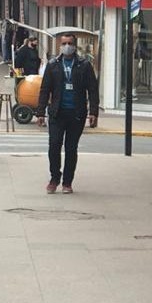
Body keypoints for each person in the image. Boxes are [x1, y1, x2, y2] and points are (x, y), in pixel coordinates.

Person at [35, 33, 99, 194]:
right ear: (60, 45)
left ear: (75, 46)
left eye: (70, 43)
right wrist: (40, 112)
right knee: (54, 146)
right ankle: (54, 177)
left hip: (76, 113)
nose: (67, 46)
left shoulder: (84, 65)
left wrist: (93, 112)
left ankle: (67, 182)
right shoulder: (53, 65)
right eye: (64, 43)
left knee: (71, 148)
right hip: (57, 112)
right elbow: (44, 90)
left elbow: (92, 90)